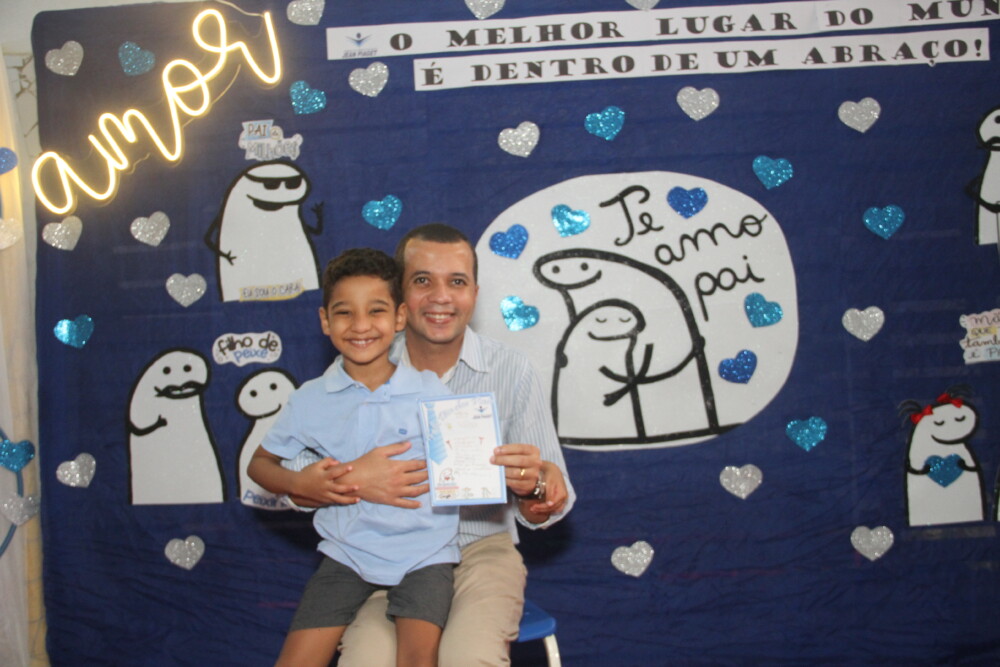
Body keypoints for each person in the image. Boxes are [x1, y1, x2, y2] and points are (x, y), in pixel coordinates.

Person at [285, 223, 576, 666]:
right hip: (384, 555)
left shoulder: (511, 370)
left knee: (468, 659)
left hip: (481, 550)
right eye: (423, 280)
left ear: (474, 293)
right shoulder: (363, 362)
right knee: (366, 661)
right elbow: (290, 479)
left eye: (456, 282)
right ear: (400, 297)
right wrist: (351, 478)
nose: (441, 297)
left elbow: (548, 503)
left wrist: (538, 489)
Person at [248, 248, 459, 667]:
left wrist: (523, 478)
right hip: (346, 553)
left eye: (376, 310)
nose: (361, 325)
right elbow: (259, 465)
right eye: (344, 313)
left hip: (425, 553)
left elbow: (467, 469)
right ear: (325, 321)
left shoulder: (432, 392)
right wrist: (299, 483)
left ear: (399, 317)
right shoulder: (309, 399)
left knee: (419, 660)